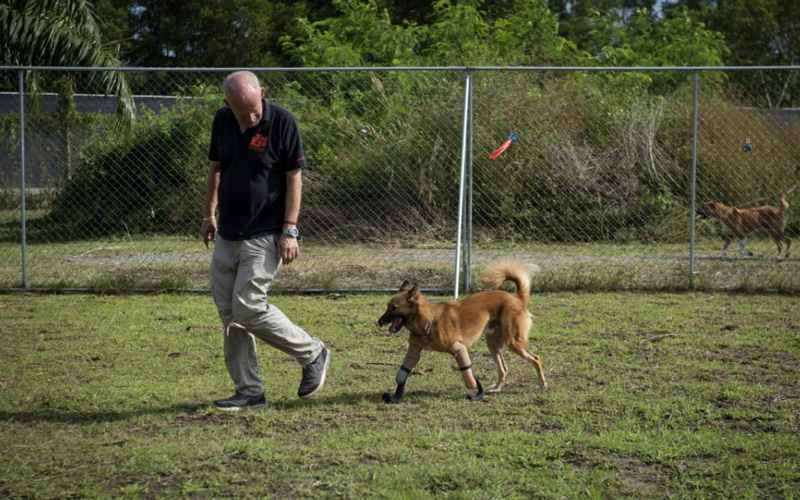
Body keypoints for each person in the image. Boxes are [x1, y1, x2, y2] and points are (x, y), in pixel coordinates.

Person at [202, 70, 330, 411]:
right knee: (230, 316)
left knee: (249, 308)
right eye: (242, 114)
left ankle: (312, 352)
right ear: (227, 104)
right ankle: (249, 391)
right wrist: (208, 214)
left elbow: (294, 177)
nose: (251, 117)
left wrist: (290, 228)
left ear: (263, 92)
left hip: (266, 232)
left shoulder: (283, 122)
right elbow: (216, 168)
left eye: (255, 109)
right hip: (227, 233)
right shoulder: (222, 120)